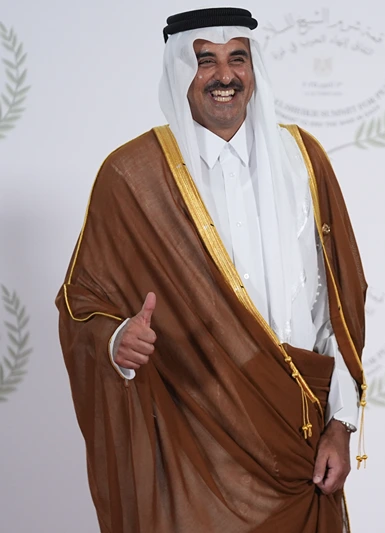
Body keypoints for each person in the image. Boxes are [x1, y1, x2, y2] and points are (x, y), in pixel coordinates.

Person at [55, 7, 368, 533]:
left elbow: (337, 304)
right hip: (192, 438)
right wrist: (116, 342)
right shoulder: (133, 175)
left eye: (236, 59)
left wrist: (342, 422)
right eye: (206, 61)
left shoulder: (304, 160)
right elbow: (81, 305)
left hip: (298, 440)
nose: (225, 75)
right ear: (180, 70)